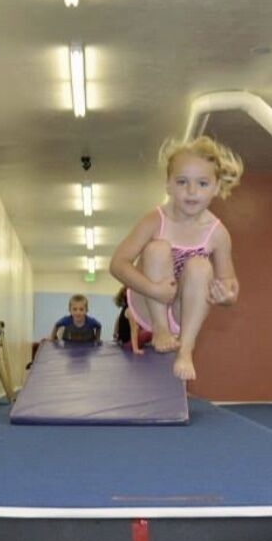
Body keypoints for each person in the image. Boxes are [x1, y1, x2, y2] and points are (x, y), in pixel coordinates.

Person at [109, 135, 243, 381]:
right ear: (168, 185)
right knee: (157, 249)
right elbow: (117, 264)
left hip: (183, 312)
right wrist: (152, 289)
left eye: (202, 183)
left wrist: (227, 297)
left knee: (201, 267)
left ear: (216, 187)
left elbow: (228, 281)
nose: (192, 191)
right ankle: (160, 329)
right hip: (148, 304)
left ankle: (186, 349)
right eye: (182, 182)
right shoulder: (155, 220)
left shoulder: (217, 233)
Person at [112, 287, 151, 355]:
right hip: (128, 344)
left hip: (124, 342)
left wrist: (115, 334)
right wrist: (135, 349)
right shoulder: (130, 311)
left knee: (146, 326)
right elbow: (134, 330)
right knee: (151, 330)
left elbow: (118, 319)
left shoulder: (125, 309)